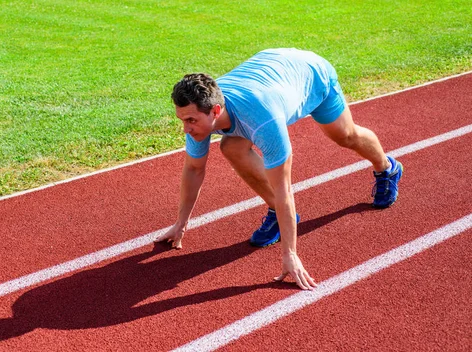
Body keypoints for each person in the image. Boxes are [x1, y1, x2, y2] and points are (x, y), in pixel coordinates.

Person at [155, 48, 403, 290]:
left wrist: (290, 254)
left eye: (190, 121)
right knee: (232, 147)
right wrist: (181, 223)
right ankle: (276, 213)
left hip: (311, 76)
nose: (185, 129)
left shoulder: (264, 121)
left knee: (345, 136)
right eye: (182, 120)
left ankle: (387, 168)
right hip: (271, 72)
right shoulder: (198, 111)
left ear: (216, 111)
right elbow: (194, 169)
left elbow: (284, 188)